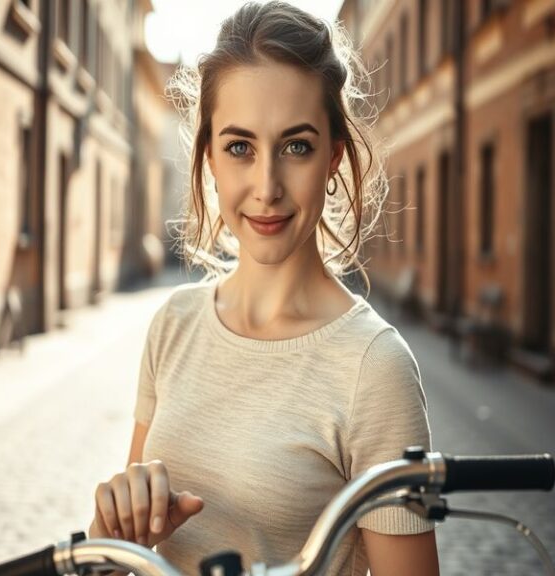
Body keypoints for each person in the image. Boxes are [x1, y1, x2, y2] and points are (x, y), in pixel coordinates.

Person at [89, 2, 439, 575]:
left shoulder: (374, 369)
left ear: (333, 157)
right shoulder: (173, 324)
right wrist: (109, 533)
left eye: (296, 146)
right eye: (240, 147)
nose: (267, 186)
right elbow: (128, 554)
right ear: (209, 158)